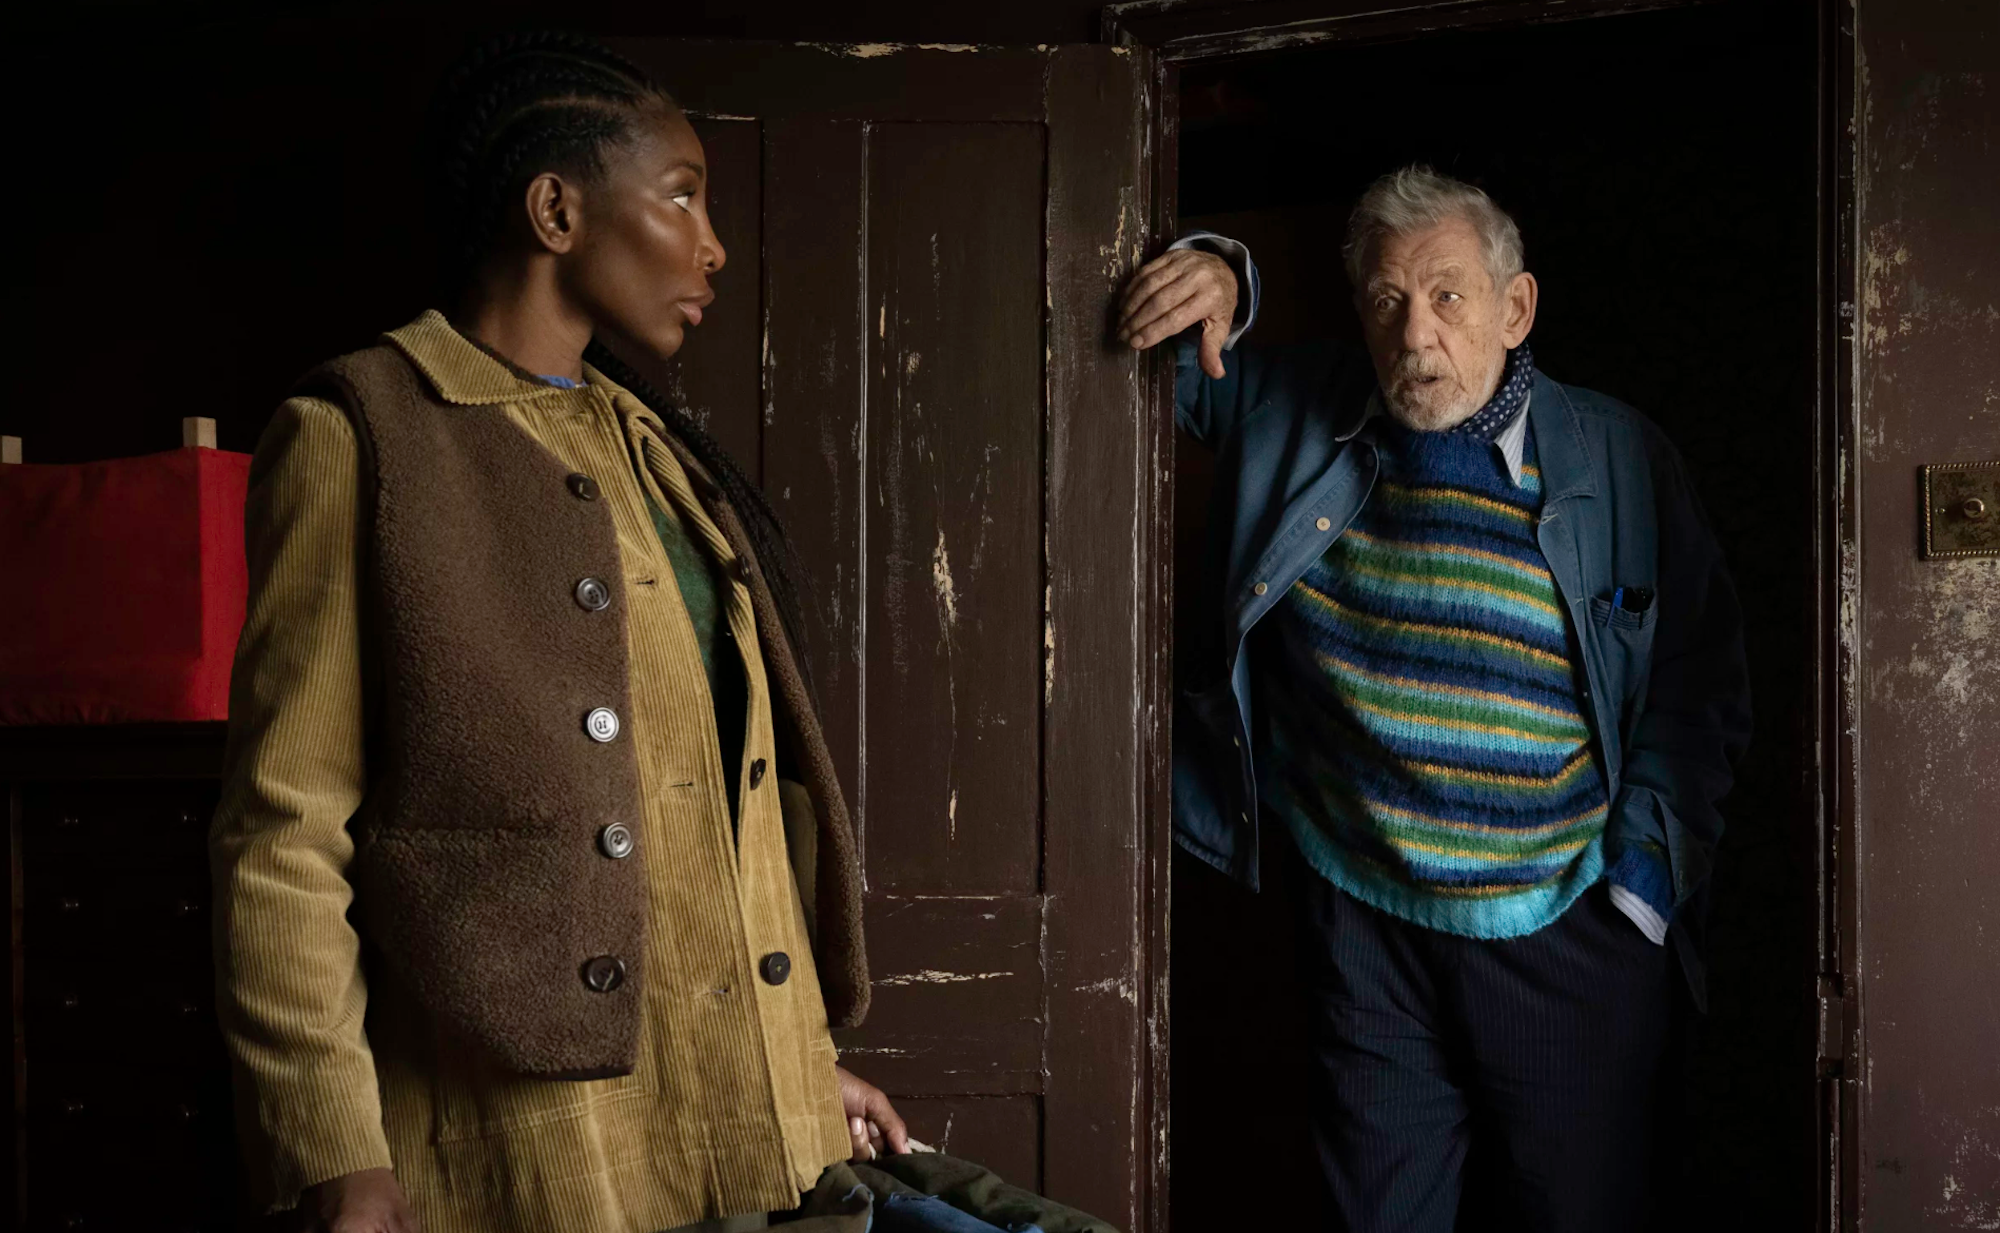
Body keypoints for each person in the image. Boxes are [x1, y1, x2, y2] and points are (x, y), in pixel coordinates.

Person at [210, 34, 906, 1233]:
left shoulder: (654, 454)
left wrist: (786, 1071)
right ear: (555, 208)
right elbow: (284, 833)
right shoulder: (361, 434)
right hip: (526, 1156)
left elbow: (705, 818)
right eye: (680, 196)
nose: (711, 245)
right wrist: (333, 1149)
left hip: (744, 1134)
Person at [1118, 166, 1751, 1229]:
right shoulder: (1289, 408)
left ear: (1514, 309)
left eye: (1447, 296)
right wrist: (1221, 272)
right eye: (1385, 300)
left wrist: (1639, 878)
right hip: (1365, 917)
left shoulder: (1617, 454)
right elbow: (1143, 366)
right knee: (1379, 1214)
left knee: (1574, 1212)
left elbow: (1701, 676)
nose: (1415, 334)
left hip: (1566, 918)